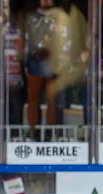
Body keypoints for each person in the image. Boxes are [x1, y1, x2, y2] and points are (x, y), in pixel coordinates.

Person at [25, 0, 70, 139]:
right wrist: (27, 60)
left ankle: (51, 132)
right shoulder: (32, 17)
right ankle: (34, 131)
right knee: (33, 99)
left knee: (52, 100)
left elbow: (67, 40)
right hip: (35, 61)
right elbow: (27, 40)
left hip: (53, 62)